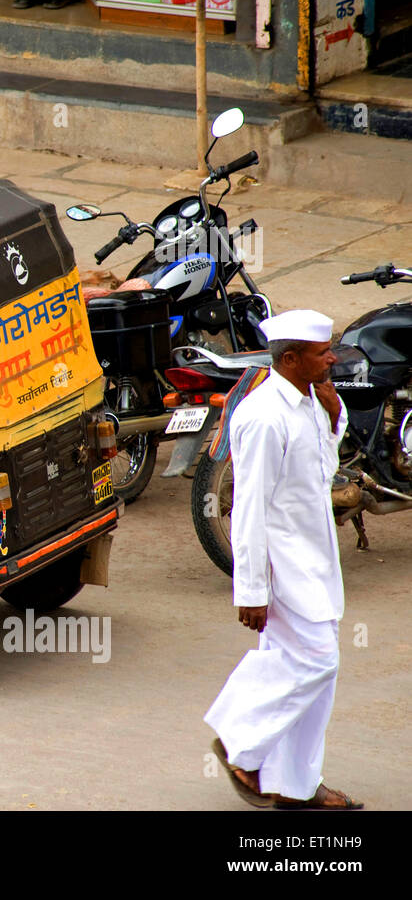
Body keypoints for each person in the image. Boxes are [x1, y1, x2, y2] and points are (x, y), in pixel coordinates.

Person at [205, 309, 362, 810]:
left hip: (314, 560)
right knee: (317, 661)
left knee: (315, 669)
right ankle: (239, 744)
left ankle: (295, 784)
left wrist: (334, 418)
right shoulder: (264, 416)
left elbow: (320, 471)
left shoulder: (310, 400)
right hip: (283, 570)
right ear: (291, 359)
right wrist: (250, 591)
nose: (332, 358)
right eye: (322, 353)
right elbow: (247, 510)